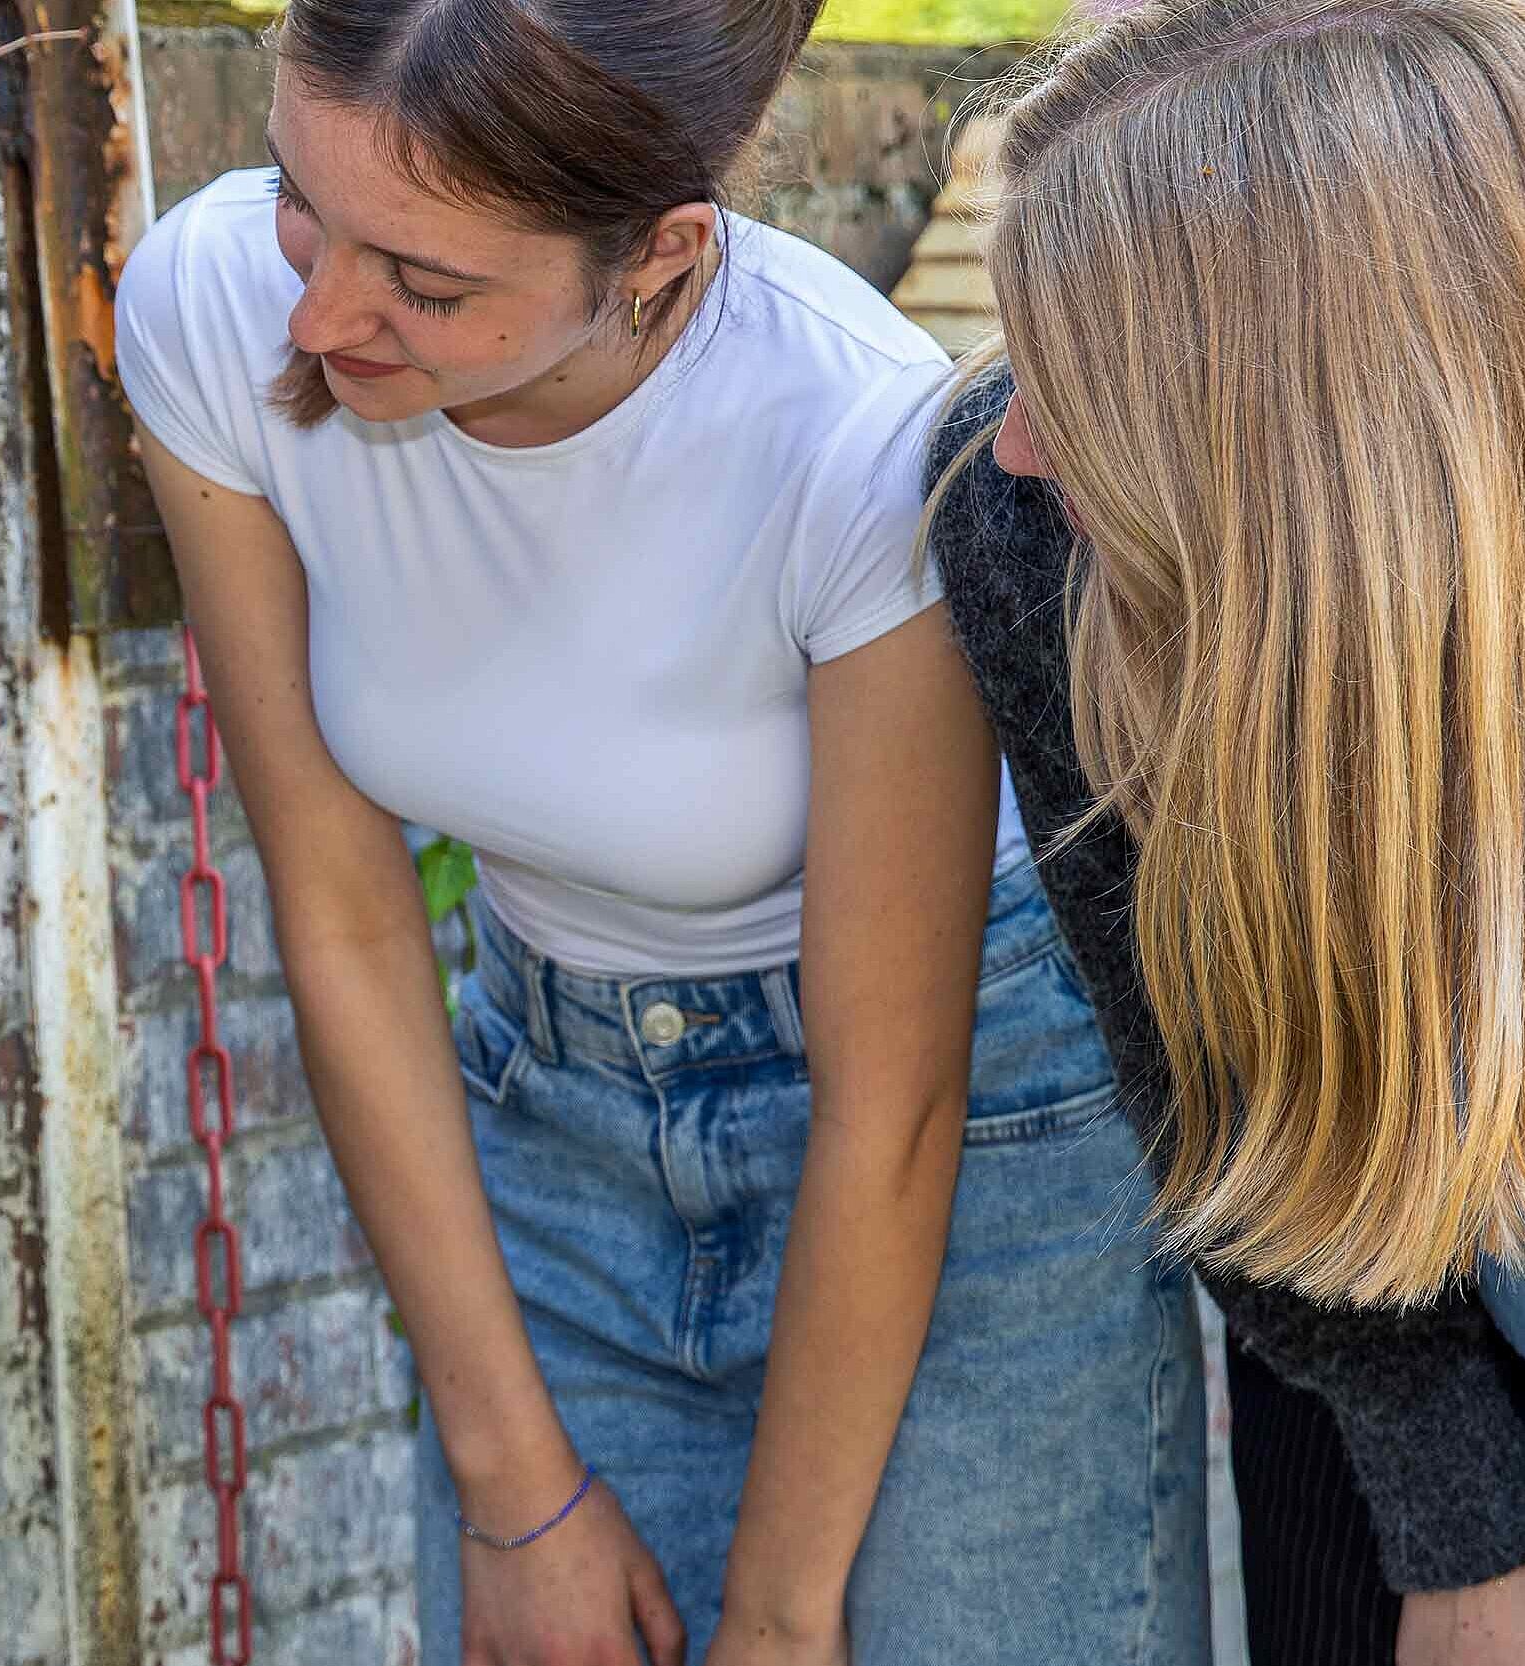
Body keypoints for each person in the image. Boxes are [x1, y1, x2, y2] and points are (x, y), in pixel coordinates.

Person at [112, 0, 1209, 1660]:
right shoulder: (210, 310)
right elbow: (339, 914)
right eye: (296, 199)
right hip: (558, 1115)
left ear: (662, 254)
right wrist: (515, 1484)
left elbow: (892, 1105)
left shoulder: (855, 436)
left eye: (427, 282)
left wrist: (774, 1619)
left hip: (963, 1138)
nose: (324, 308)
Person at [927, 2, 1525, 1661]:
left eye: (1080, 376)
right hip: (1371, 1348)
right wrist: (1463, 1520)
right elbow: (1206, 1088)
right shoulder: (1026, 525)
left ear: (1313, 449)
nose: (1022, 435)